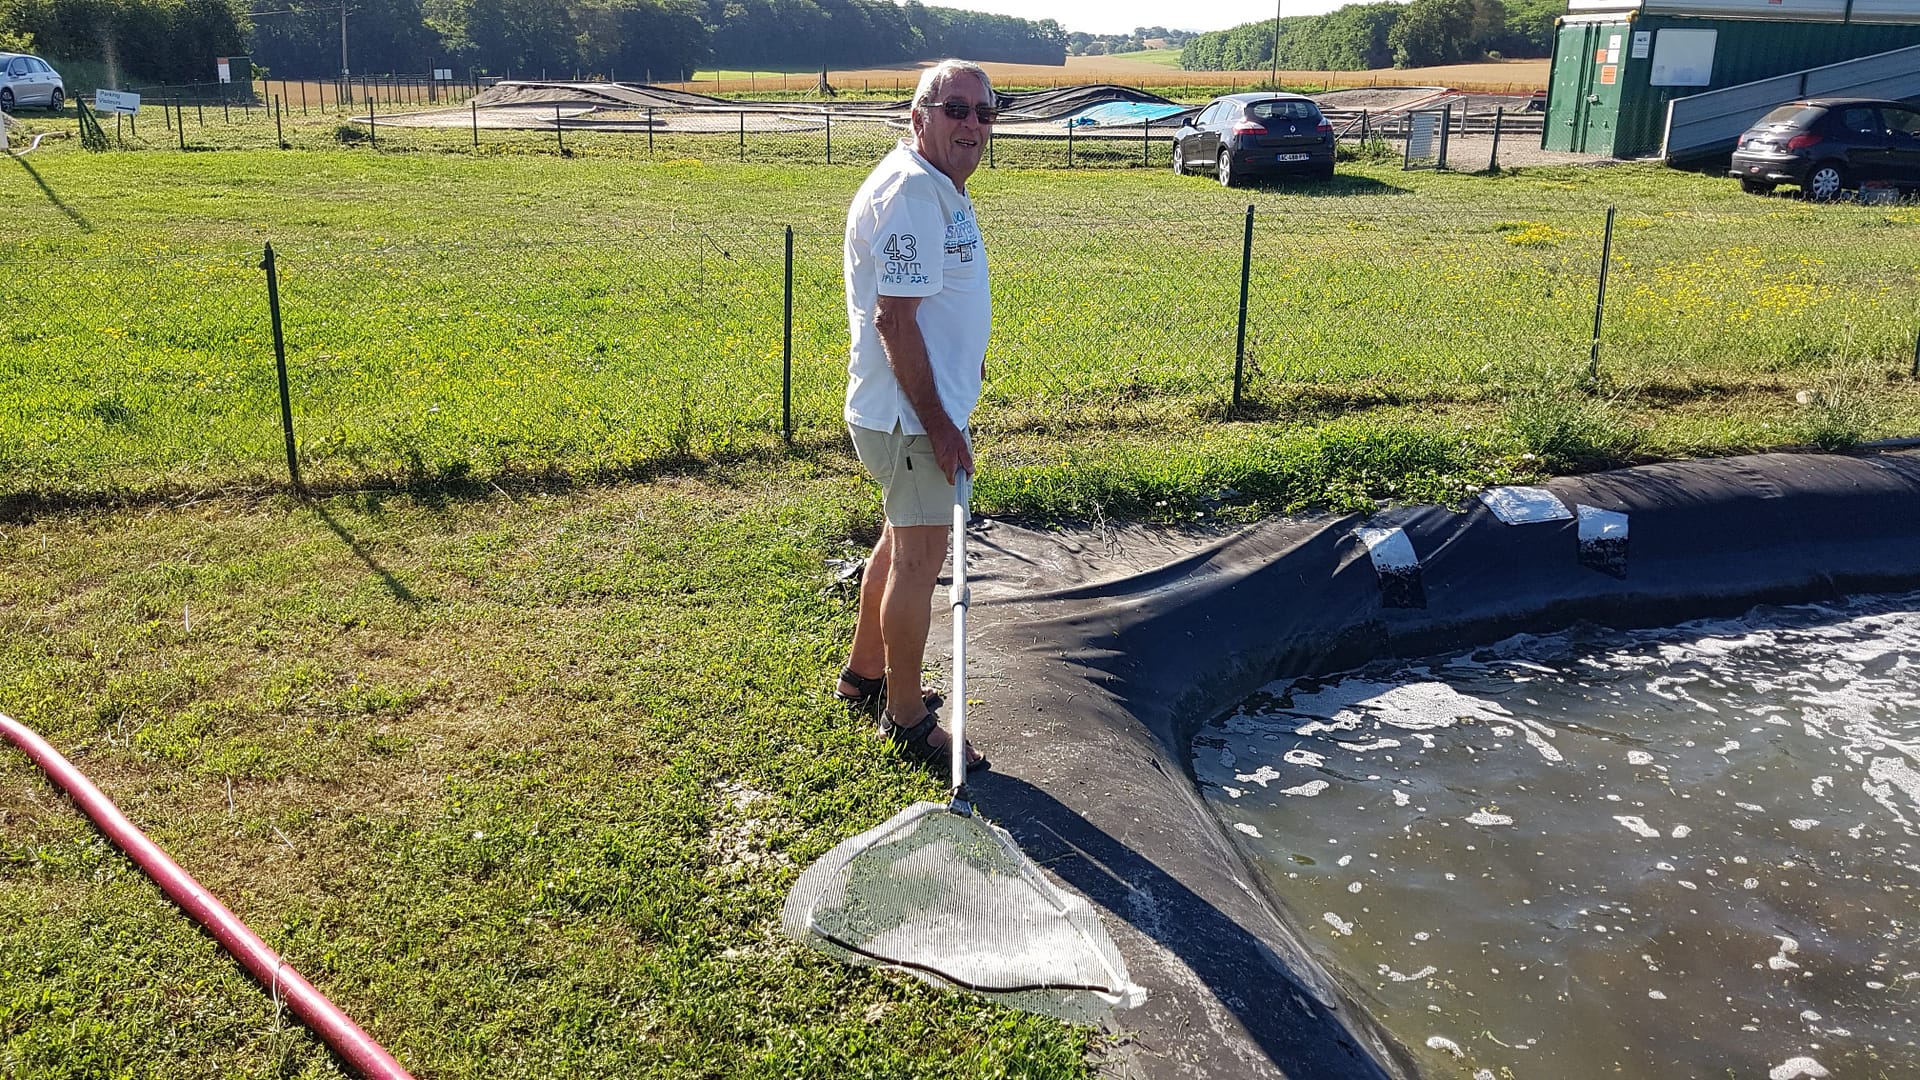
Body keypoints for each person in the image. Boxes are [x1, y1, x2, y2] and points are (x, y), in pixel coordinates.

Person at [834, 58, 998, 774]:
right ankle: (904, 716)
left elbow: (934, 305)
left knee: (899, 544)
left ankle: (865, 674)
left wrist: (966, 359)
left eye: (984, 112)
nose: (972, 125)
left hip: (911, 410)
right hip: (909, 419)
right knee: (920, 561)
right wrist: (939, 423)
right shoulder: (910, 193)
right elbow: (893, 320)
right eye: (955, 109)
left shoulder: (937, 185)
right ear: (918, 117)